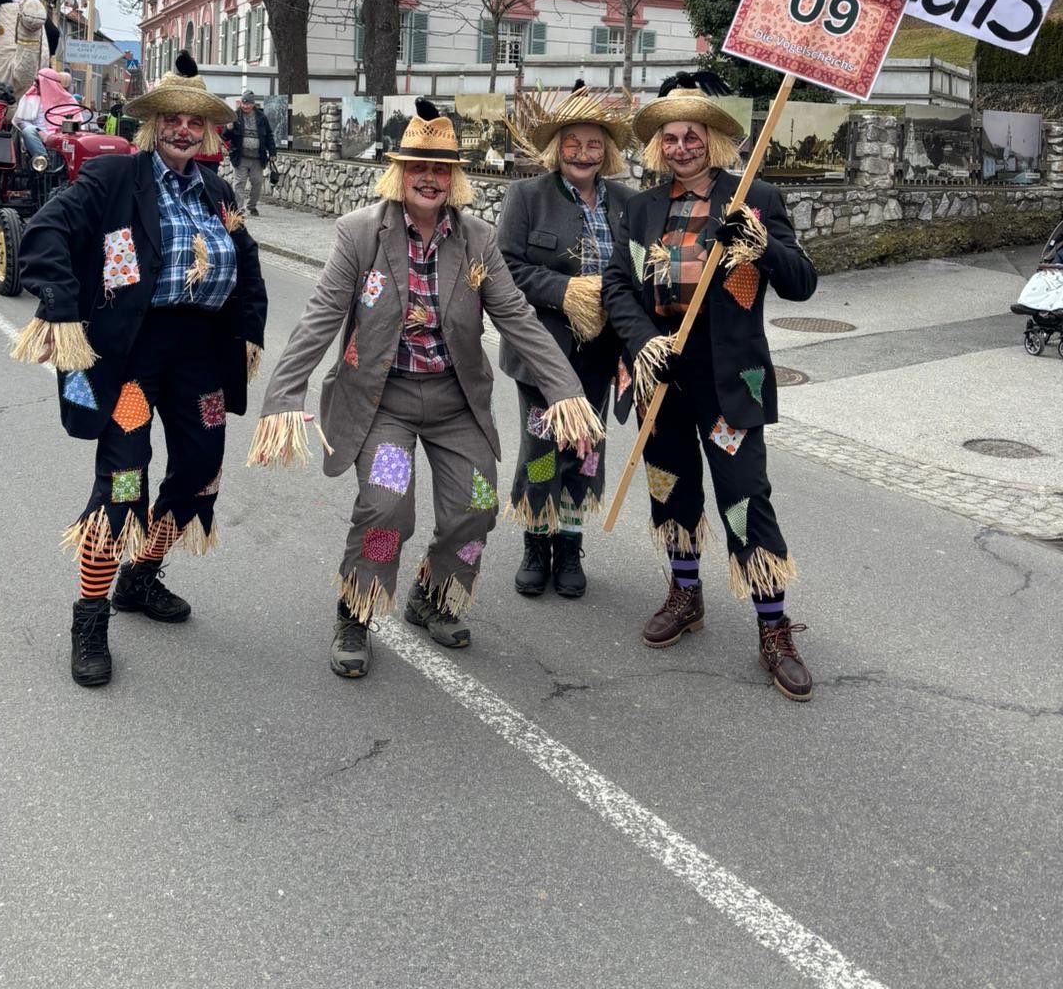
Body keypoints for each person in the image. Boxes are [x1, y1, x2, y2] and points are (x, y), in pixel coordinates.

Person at [249, 98, 603, 681]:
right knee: (387, 508)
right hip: (382, 404)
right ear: (401, 173)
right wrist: (285, 396)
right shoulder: (360, 234)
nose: (432, 179)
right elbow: (320, 318)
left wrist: (566, 392)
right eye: (420, 167)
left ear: (455, 178)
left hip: (454, 404)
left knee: (478, 507)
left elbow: (517, 317)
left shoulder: (477, 240)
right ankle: (355, 613)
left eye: (442, 169)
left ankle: (432, 595)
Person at [12, 52, 268, 689]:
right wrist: (63, 314)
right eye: (171, 119)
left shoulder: (216, 189)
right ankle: (90, 617)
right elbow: (44, 233)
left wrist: (248, 336)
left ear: (207, 131)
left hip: (201, 354)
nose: (183, 130)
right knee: (125, 480)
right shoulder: (114, 178)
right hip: (133, 355)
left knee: (203, 468)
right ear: (153, 124)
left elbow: (249, 265)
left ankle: (141, 575)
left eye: (194, 122)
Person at [601, 72, 818, 702]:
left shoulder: (754, 197)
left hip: (730, 378)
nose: (680, 146)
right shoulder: (641, 208)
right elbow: (619, 285)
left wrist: (760, 245)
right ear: (658, 146)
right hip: (661, 374)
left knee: (744, 498)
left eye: (691, 135)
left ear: (713, 141)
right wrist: (643, 340)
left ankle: (773, 627)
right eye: (670, 136)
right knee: (671, 490)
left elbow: (802, 283)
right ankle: (686, 592)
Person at [497, 81, 635, 598]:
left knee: (586, 451)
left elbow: (638, 272)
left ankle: (570, 545)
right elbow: (505, 269)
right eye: (573, 143)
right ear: (558, 148)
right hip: (542, 353)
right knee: (541, 449)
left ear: (607, 151)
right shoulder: (525, 197)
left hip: (601, 355)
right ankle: (537, 540)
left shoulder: (626, 203)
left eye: (594, 144)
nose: (583, 153)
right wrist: (565, 290)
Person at [226, 91, 276, 215]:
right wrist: (229, 129)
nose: (245, 106)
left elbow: (269, 135)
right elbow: (226, 136)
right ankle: (239, 208)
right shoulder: (235, 116)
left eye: (248, 103)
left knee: (257, 182)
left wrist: (273, 152)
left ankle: (252, 206)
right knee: (239, 182)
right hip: (240, 156)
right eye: (243, 103)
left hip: (258, 157)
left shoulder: (261, 117)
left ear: (253, 104)